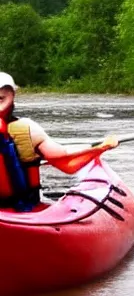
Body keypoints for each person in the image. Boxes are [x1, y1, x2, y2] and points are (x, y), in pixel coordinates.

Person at [0, 72, 118, 211]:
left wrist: (98, 149)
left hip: (17, 211)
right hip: (19, 209)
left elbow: (66, 162)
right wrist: (99, 149)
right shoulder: (28, 129)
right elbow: (68, 164)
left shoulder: (28, 130)